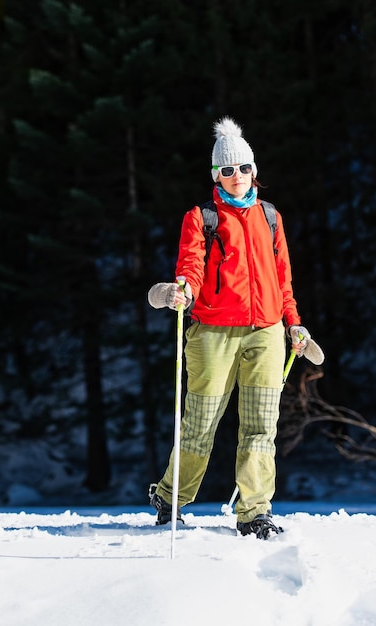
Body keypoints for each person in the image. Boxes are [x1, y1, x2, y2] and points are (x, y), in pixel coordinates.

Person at [147, 117, 320, 539]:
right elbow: (190, 262)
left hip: (266, 332)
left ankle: (254, 512)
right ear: (215, 174)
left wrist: (294, 325)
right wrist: (182, 289)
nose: (236, 177)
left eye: (243, 168)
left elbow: (283, 279)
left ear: (254, 171)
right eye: (227, 170)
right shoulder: (201, 217)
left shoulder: (271, 217)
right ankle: (171, 497)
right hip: (213, 333)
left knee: (261, 425)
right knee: (201, 423)